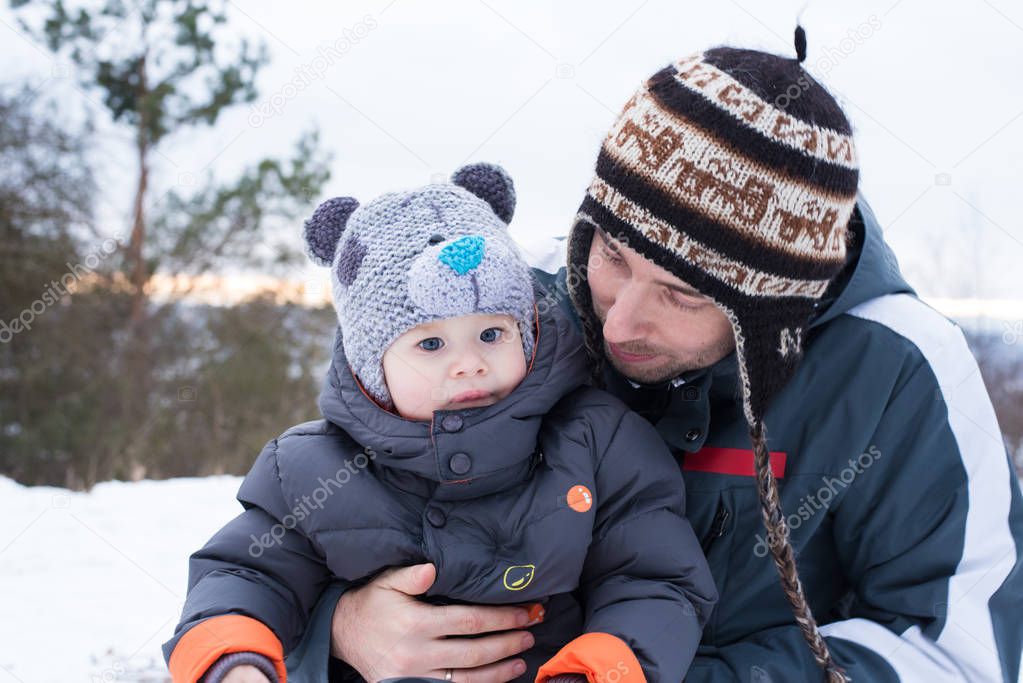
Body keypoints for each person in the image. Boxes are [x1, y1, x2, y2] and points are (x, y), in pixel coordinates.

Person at [302, 41, 1023, 683]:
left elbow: (953, 654)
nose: (617, 321)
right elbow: (318, 513)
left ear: (771, 309)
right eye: (612, 254)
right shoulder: (518, 312)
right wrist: (336, 628)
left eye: (680, 295)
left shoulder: (900, 369)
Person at [161, 163, 718, 683]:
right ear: (372, 367)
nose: (469, 362)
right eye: (430, 344)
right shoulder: (310, 469)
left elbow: (653, 578)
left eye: (492, 335)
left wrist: (599, 668)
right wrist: (233, 659)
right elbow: (248, 575)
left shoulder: (598, 440)